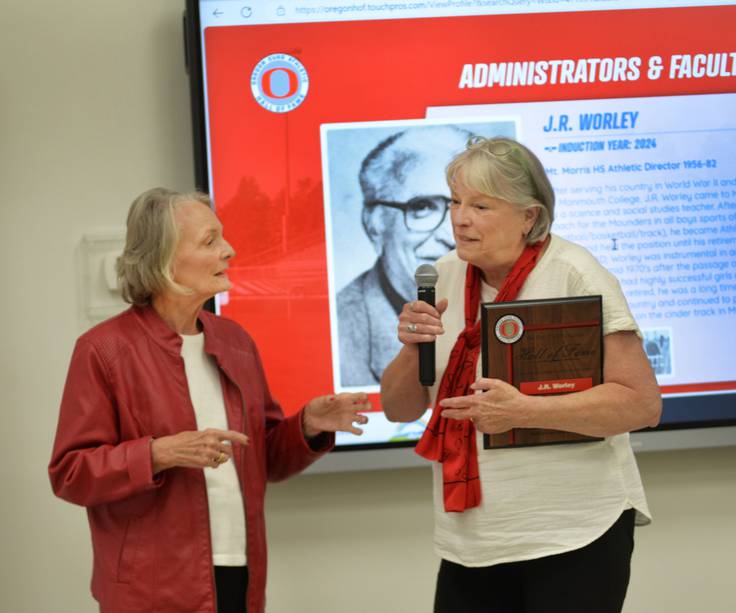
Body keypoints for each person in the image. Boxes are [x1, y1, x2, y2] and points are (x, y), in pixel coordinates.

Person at [49, 188, 370, 613]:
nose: (229, 250)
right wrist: (158, 453)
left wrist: (308, 424)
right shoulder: (103, 351)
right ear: (163, 259)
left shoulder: (234, 342)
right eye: (210, 241)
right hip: (151, 588)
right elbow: (70, 473)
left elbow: (264, 461)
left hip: (239, 573)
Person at [381, 137, 662, 613]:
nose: (459, 218)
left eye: (481, 205)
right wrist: (413, 348)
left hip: (573, 533)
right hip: (471, 539)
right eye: (455, 201)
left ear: (529, 216)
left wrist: (523, 411)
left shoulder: (574, 273)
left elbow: (641, 404)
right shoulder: (444, 273)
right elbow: (398, 408)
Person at [336, 125, 472, 387]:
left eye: (465, 204)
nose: (451, 234)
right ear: (374, 223)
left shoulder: (504, 301)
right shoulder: (342, 330)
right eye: (423, 207)